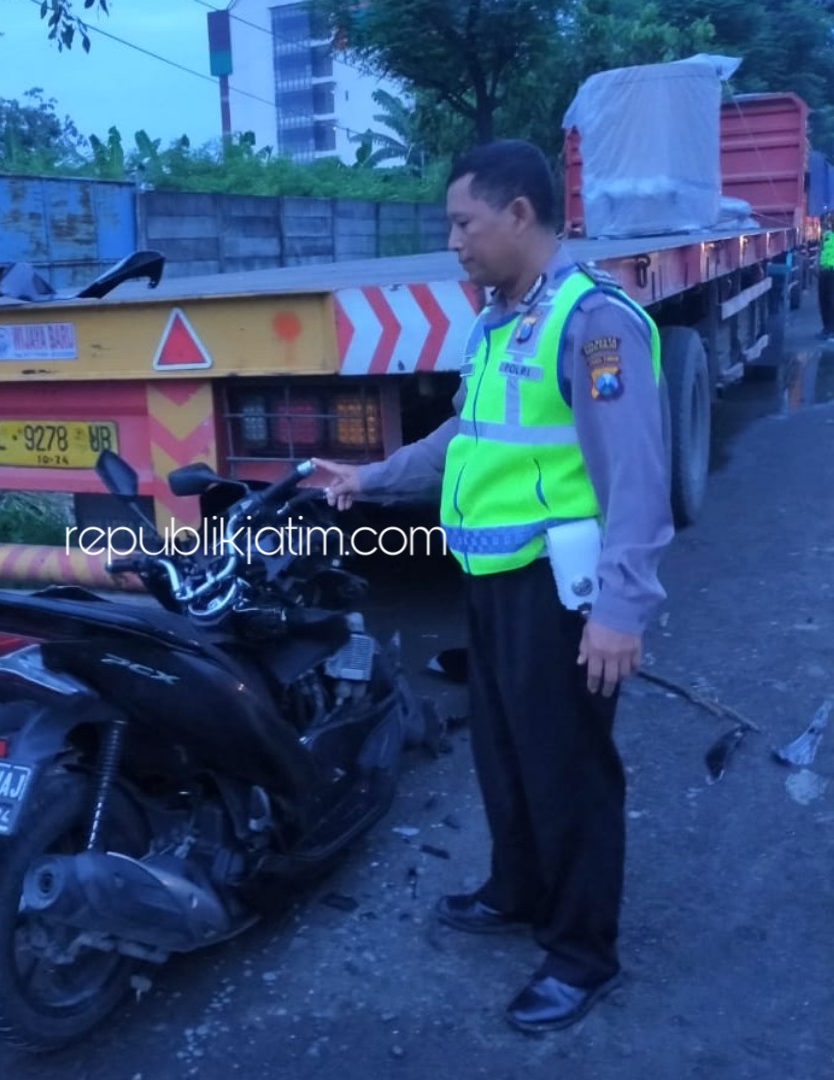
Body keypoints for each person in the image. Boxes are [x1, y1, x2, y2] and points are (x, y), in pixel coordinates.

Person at [312, 139, 674, 1034]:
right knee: (505, 756)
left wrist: (622, 610)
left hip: (561, 592)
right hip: (491, 578)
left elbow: (633, 475)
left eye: (462, 222)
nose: (453, 241)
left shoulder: (595, 325)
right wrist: (368, 479)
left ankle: (582, 952)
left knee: (568, 771)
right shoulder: (499, 318)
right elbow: (463, 438)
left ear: (518, 215)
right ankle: (516, 889)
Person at [819, 214, 834, 339]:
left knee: (830, 300)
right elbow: (821, 251)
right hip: (824, 270)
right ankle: (826, 328)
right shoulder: (827, 235)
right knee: (823, 300)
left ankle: (831, 329)